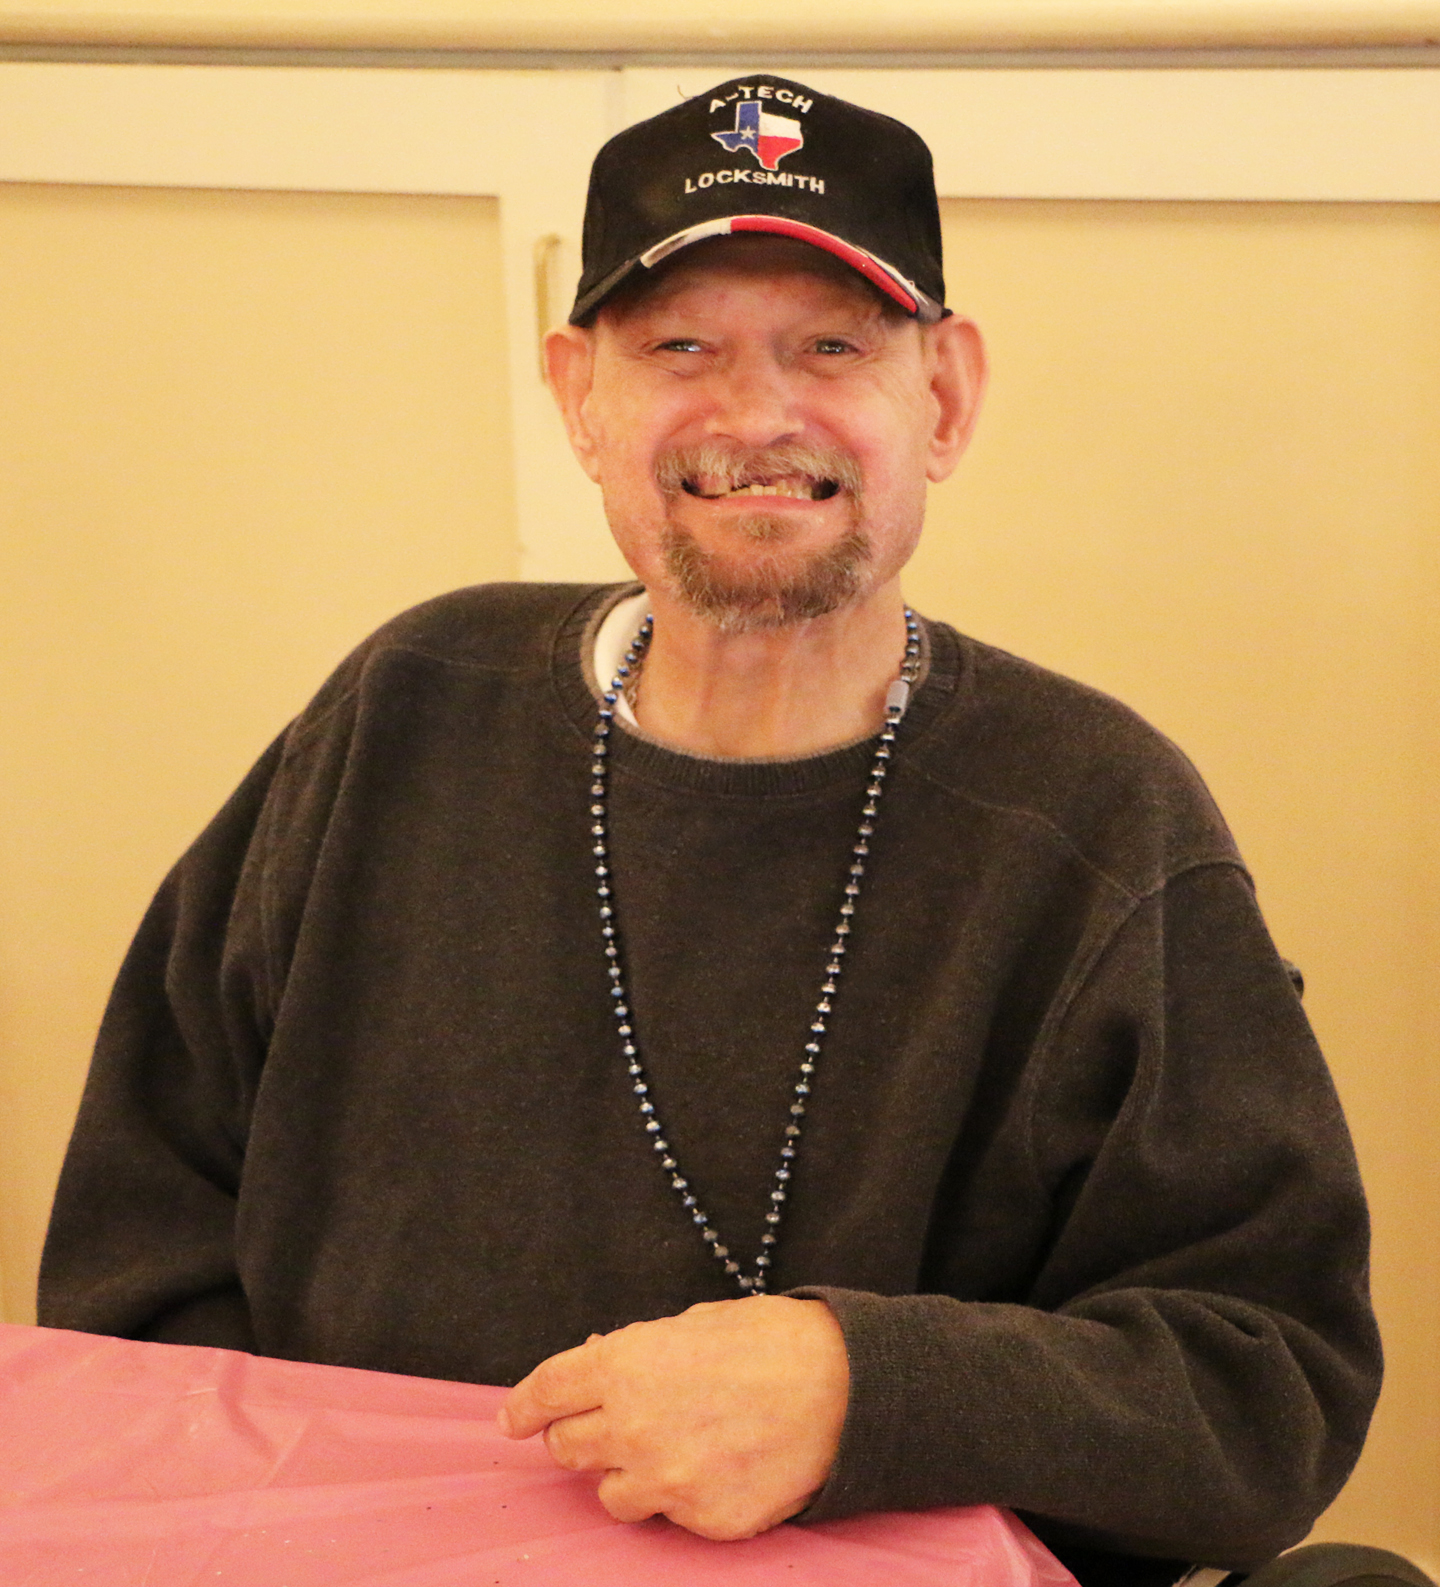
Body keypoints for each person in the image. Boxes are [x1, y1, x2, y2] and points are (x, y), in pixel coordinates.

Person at [39, 75, 1380, 1578]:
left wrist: (871, 1391)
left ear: (944, 399)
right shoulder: (400, 711)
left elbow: (1266, 1392)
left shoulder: (1098, 816)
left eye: (833, 347)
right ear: (580, 397)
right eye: (680, 347)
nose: (755, 415)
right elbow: (136, 1263)